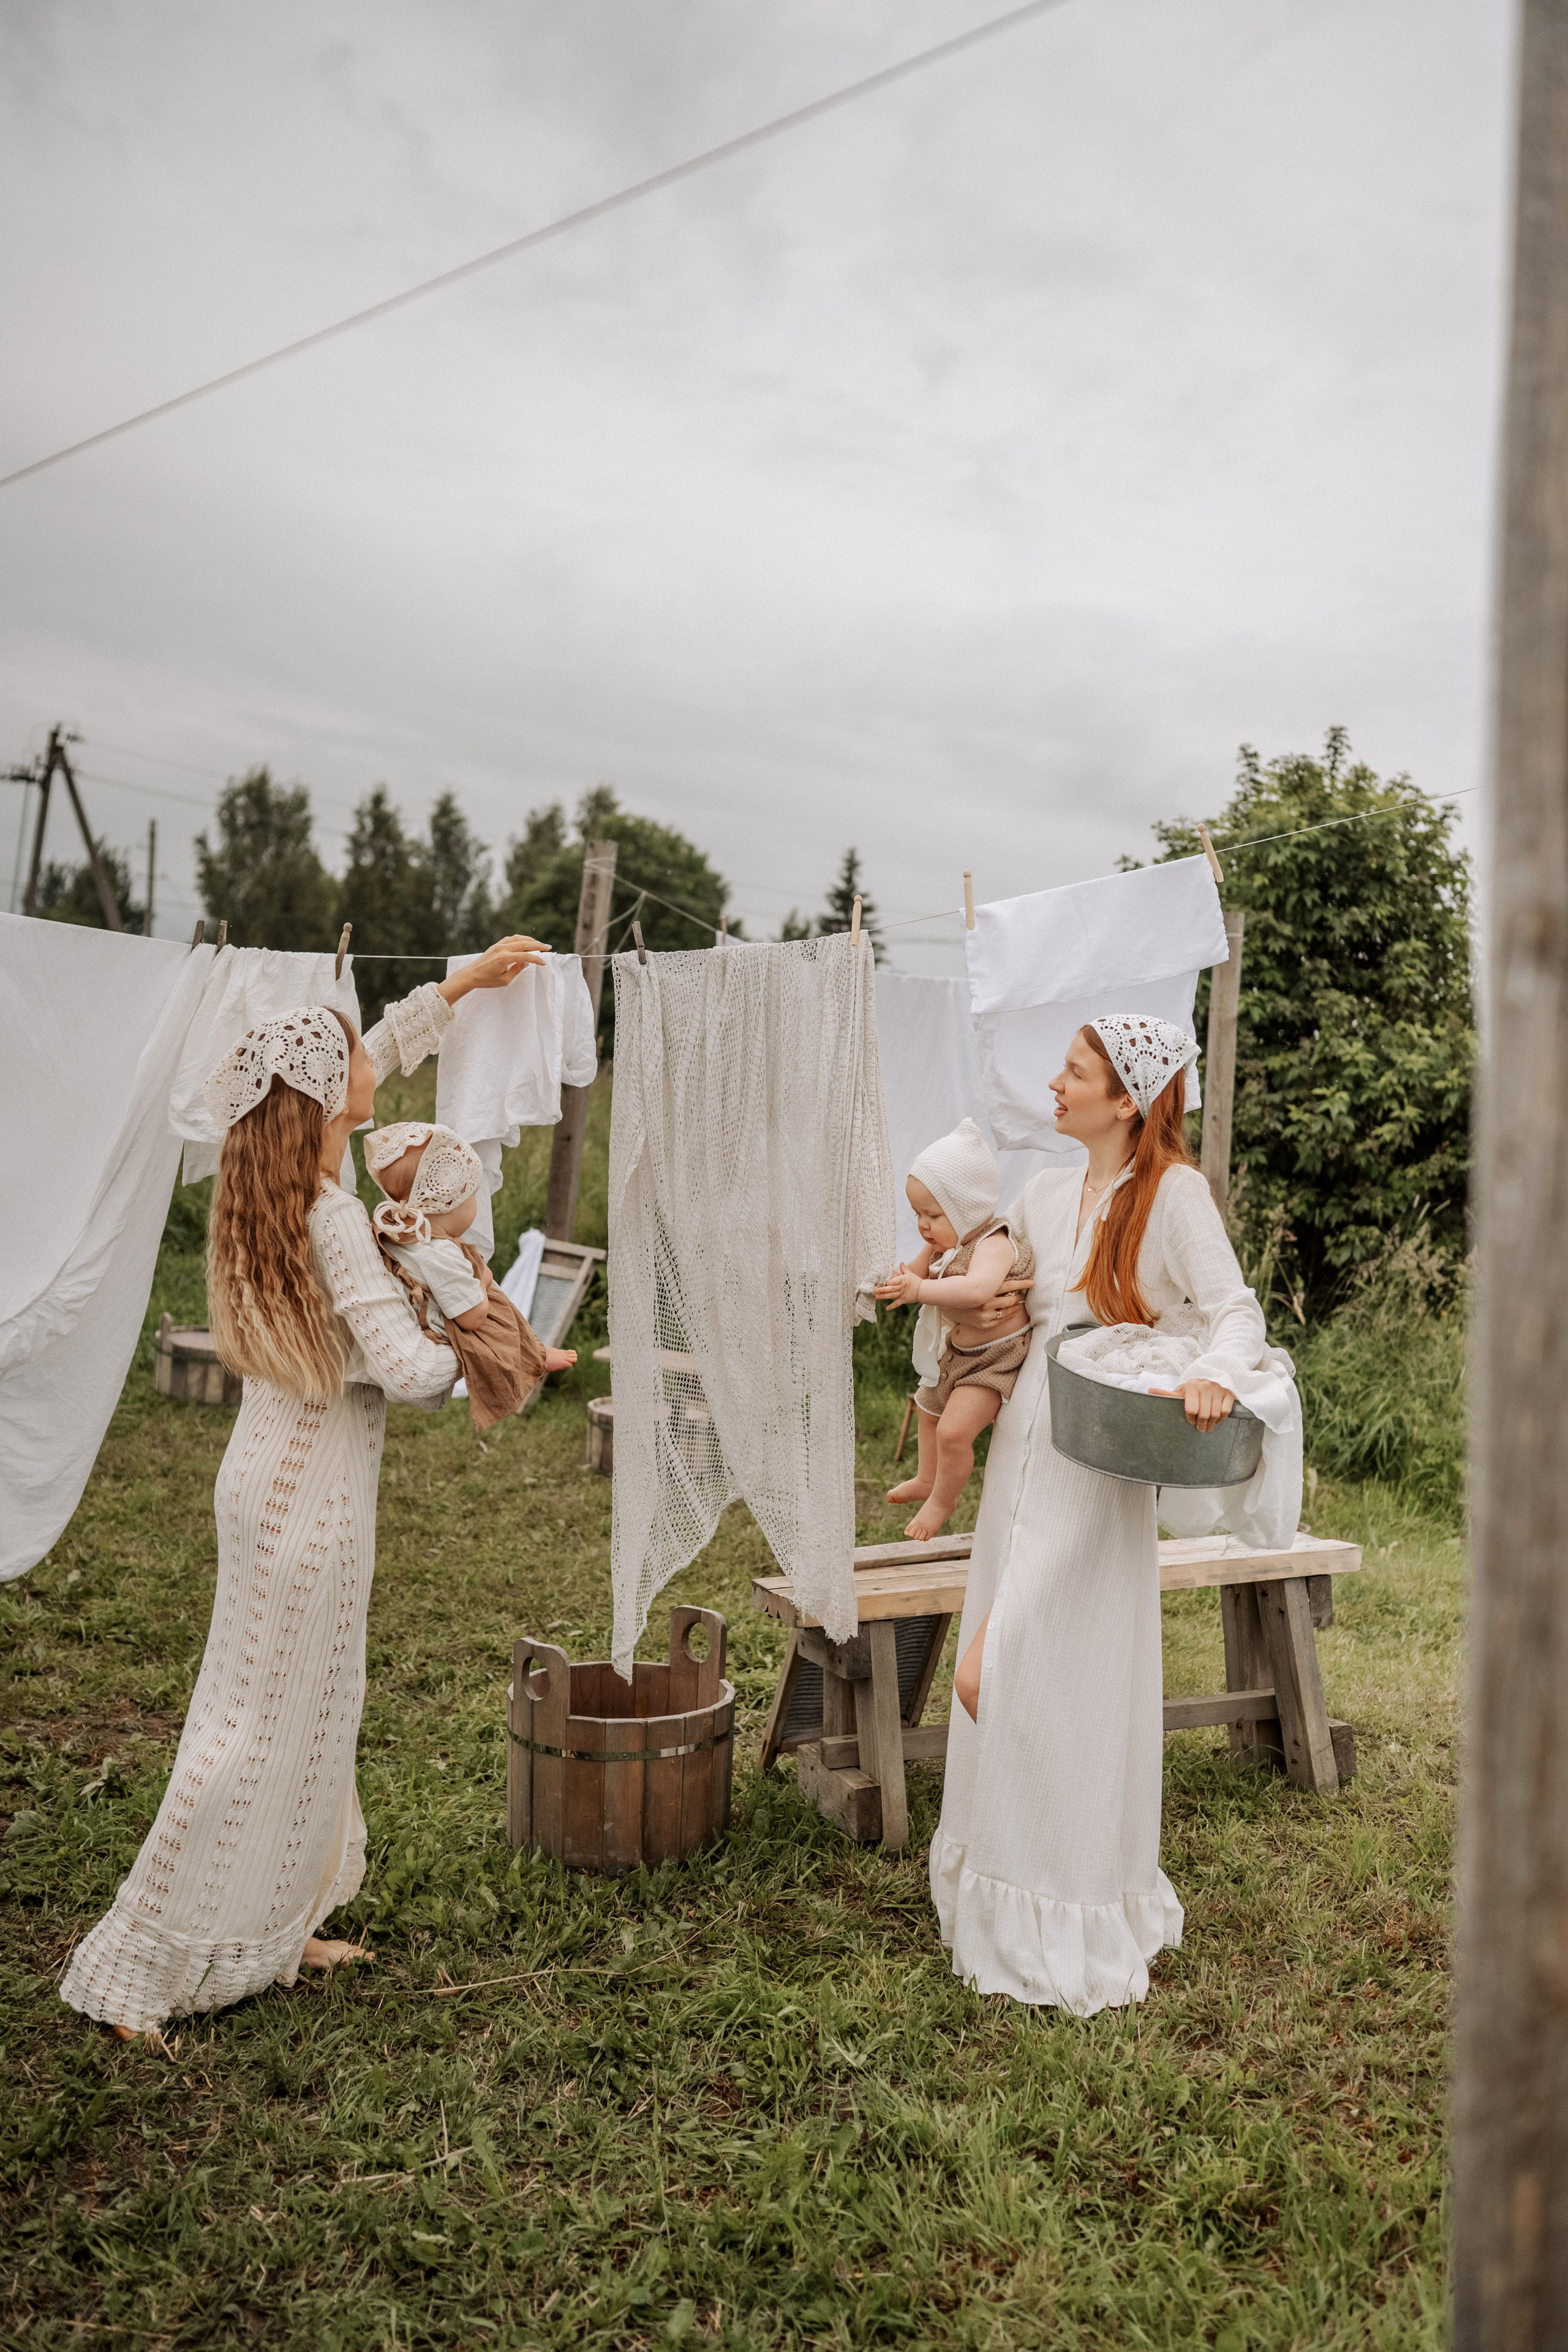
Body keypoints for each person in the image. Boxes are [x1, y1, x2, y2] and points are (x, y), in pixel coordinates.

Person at [59, 941, 546, 2043]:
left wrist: (460, 988)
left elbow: (367, 1050)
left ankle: (281, 1928)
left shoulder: (269, 1176)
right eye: (353, 1064)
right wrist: (450, 1296)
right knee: (252, 1726)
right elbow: (418, 1378)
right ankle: (141, 1960)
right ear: (333, 1103)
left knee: (312, 1706)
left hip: (264, 1475)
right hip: (311, 1496)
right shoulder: (332, 1217)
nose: (369, 1061)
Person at [930, 1015, 1267, 2016]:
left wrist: (1210, 1373)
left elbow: (1234, 1309)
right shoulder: (1040, 1193)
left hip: (1101, 1445)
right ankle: (1004, 1882)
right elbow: (999, 1298)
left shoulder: (1173, 1195)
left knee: (1016, 1661)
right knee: (1025, 1657)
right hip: (1030, 1429)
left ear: (1125, 1100)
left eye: (1073, 1073)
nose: (1055, 1083)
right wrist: (965, 1307)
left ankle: (1067, 1901)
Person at [876, 1119, 1034, 1540]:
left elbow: (978, 1288)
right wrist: (896, 1282)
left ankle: (943, 1501)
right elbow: (913, 1272)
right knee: (928, 1415)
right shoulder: (946, 1241)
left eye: (932, 1214)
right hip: (954, 1356)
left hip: (992, 1363)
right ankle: (927, 1479)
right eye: (917, 1215)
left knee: (952, 1431)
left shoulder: (994, 1243)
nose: (923, 1225)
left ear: (966, 1208)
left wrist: (921, 1290)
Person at [366, 1118, 576, 1428]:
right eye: (473, 1196)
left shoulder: (403, 1234)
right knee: (494, 1306)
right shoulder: (440, 1254)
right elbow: (471, 1317)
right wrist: (483, 1281)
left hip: (423, 1310)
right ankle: (531, 1357)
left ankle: (534, 1351)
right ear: (448, 1204)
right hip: (441, 1326)